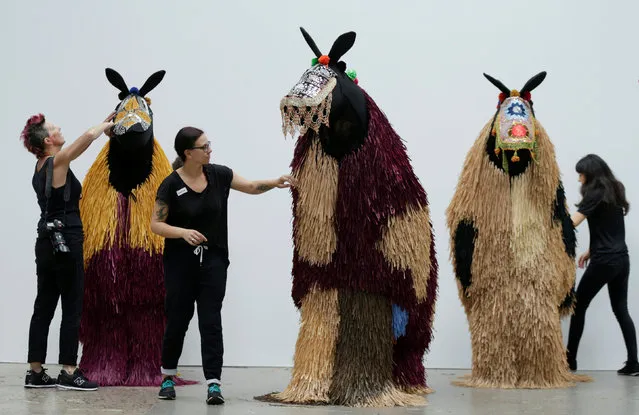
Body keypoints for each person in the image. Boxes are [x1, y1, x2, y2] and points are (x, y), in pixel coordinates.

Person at [150, 126, 294, 404]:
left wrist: (275, 181)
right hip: (180, 264)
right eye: (204, 147)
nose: (209, 150)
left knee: (211, 321)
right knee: (178, 319)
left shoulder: (219, 174)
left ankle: (214, 383)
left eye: (209, 145)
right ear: (188, 153)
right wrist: (182, 232)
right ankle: (168, 377)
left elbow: (251, 186)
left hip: (214, 261)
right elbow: (156, 224)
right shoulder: (170, 185)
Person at [21, 111, 114, 390]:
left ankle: (35, 372)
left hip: (45, 241)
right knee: (72, 306)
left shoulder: (39, 167)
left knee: (44, 306)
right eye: (55, 128)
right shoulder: (57, 161)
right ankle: (69, 371)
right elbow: (86, 138)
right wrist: (105, 126)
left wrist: (105, 122)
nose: (60, 129)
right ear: (49, 140)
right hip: (67, 240)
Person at [567, 154, 639, 376]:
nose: (579, 179)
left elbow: (574, 222)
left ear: (591, 173)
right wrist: (590, 250)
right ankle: (634, 364)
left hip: (605, 260)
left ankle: (569, 361)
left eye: (581, 174)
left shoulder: (595, 192)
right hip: (621, 259)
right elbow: (610, 226)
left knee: (578, 306)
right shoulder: (616, 188)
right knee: (621, 309)